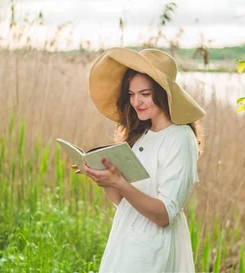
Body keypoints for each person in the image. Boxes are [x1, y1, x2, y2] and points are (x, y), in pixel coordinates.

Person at [70, 47, 205, 273]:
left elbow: (163, 215)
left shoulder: (180, 139)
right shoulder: (141, 134)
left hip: (153, 250)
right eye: (131, 94)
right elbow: (125, 202)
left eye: (145, 94)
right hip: (125, 241)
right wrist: (105, 179)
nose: (136, 102)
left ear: (162, 93)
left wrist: (120, 182)